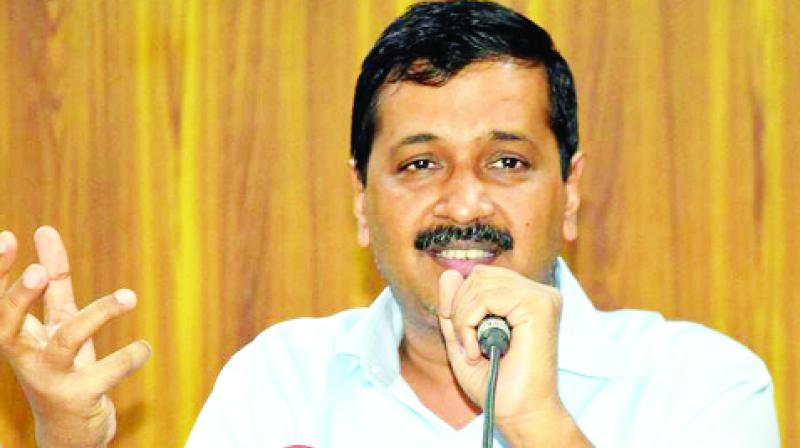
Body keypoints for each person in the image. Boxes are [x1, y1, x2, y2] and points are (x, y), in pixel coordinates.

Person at [0, 1, 780, 447]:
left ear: (570, 192)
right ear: (361, 202)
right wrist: (67, 441)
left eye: (507, 161)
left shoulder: (702, 387)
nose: (464, 205)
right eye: (420, 163)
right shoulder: (277, 385)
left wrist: (536, 423)